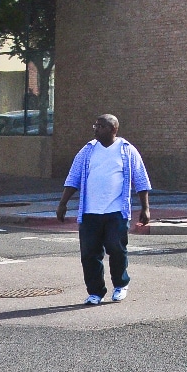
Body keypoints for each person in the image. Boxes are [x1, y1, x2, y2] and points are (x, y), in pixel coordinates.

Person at [56, 114, 152, 305]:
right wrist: (63, 203)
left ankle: (120, 285)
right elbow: (73, 177)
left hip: (116, 212)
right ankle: (95, 292)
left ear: (113, 129)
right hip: (89, 212)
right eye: (96, 125)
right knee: (89, 254)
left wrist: (145, 208)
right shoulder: (87, 150)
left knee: (116, 250)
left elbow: (141, 180)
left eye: (100, 126)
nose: (96, 129)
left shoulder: (127, 150)